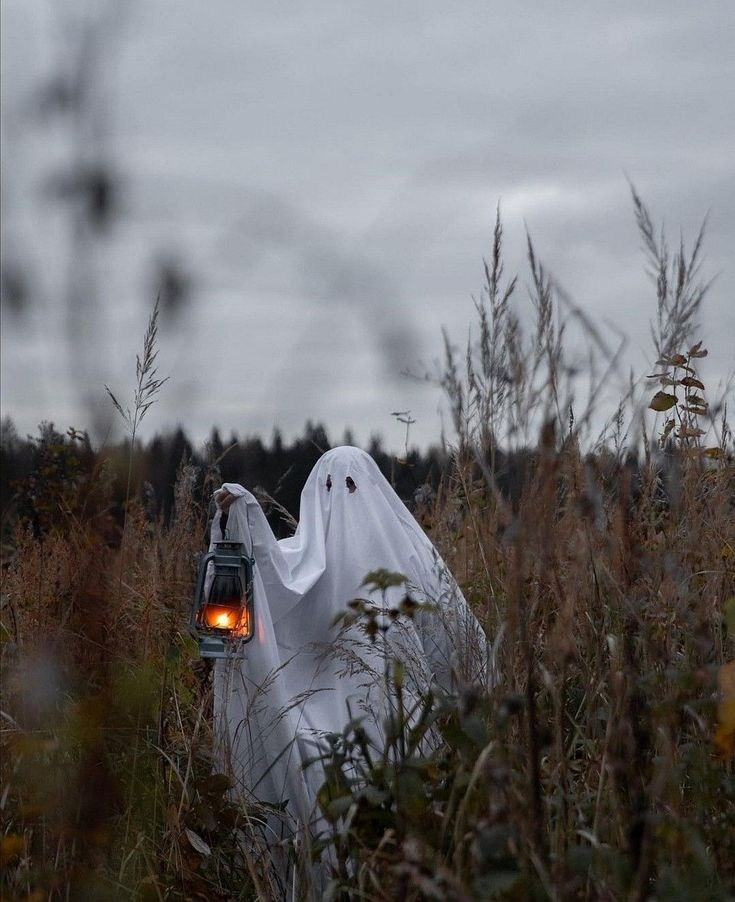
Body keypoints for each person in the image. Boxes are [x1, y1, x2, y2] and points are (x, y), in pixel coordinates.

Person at [208, 446, 489, 842]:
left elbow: (454, 640)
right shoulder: (304, 563)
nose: (341, 499)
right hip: (320, 732)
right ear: (314, 496)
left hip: (399, 727)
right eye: (329, 487)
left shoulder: (409, 559)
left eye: (352, 486)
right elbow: (268, 574)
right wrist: (239, 515)